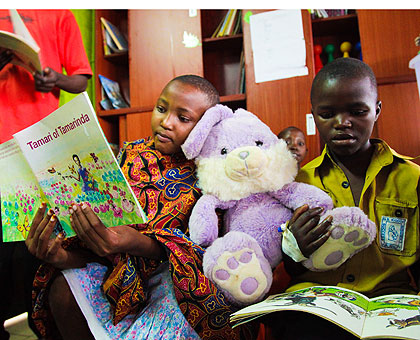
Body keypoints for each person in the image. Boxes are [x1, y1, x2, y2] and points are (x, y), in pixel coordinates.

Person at [25, 75, 251, 340]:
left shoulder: (212, 172)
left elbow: (204, 252)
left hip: (174, 283)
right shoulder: (130, 154)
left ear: (206, 127)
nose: (166, 122)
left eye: (183, 118)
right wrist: (60, 256)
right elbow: (102, 246)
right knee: (62, 287)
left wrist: (136, 242)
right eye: (161, 108)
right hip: (115, 271)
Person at [267, 57, 420, 339]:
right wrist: (296, 248)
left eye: (357, 111)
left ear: (376, 110)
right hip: (317, 304)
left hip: (390, 303)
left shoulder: (412, 178)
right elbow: (288, 267)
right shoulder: (297, 184)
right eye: (327, 114)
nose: (342, 123)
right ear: (314, 116)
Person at [0, 9, 92, 340]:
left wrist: (54, 80)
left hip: (39, 146)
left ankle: (35, 327)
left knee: (34, 242)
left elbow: (80, 80)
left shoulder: (59, 14)